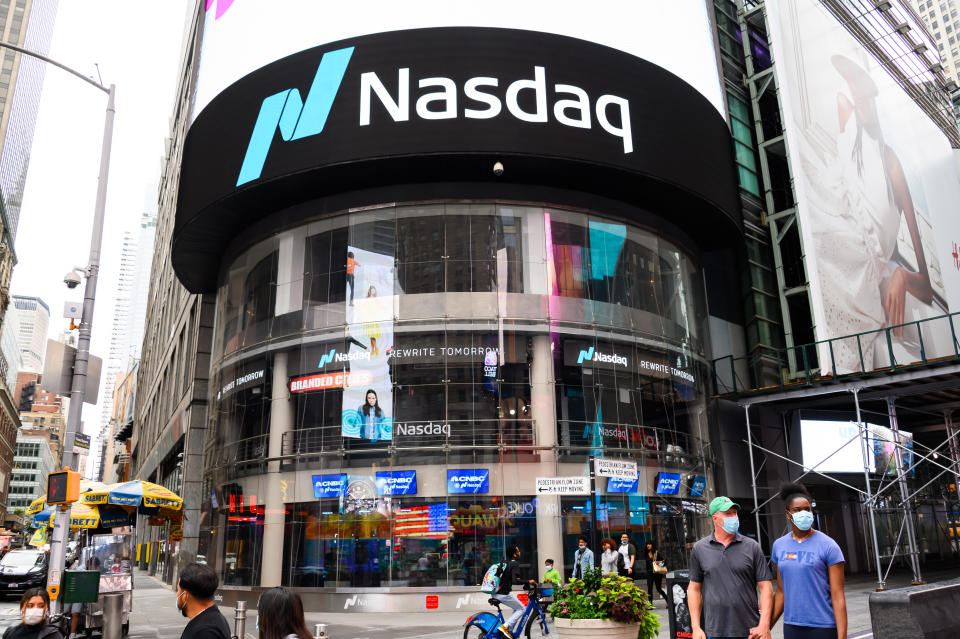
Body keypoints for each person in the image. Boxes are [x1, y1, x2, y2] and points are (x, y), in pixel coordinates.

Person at [688, 496, 773, 639]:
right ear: (715, 518)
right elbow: (694, 589)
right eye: (728, 514)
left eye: (735, 513)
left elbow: (766, 587)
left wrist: (764, 625)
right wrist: (696, 627)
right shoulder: (699, 549)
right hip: (714, 631)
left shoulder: (752, 546)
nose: (734, 517)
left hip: (750, 631)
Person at [770, 482, 847, 639]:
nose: (803, 513)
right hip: (792, 627)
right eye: (797, 510)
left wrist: (842, 636)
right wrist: (765, 627)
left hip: (823, 627)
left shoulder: (829, 546)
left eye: (807, 509)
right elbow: (780, 593)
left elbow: (838, 595)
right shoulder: (779, 545)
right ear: (787, 514)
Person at [177, 563, 231, 639]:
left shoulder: (204, 632)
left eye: (178, 590)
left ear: (185, 596)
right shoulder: (213, 617)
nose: (177, 595)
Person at [494, 545, 536, 639]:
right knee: (522, 609)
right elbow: (515, 580)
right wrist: (528, 581)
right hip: (503, 594)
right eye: (518, 551)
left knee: (516, 608)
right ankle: (505, 627)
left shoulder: (504, 562)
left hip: (496, 593)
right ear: (514, 554)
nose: (519, 552)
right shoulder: (514, 564)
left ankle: (509, 632)